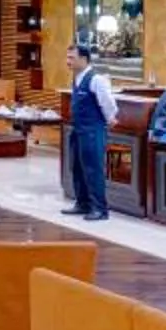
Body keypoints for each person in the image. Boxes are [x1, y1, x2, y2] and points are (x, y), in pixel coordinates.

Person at [63, 40, 118, 223]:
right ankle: (83, 203)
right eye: (67, 57)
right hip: (78, 130)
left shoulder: (96, 79)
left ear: (84, 59)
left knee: (93, 169)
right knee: (77, 167)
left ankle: (100, 209)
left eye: (72, 58)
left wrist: (110, 118)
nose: (68, 61)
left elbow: (108, 103)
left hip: (92, 131)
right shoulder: (76, 79)